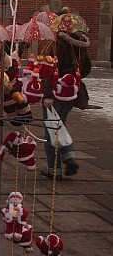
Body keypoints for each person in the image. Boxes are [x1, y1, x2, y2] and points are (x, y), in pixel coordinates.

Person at [41, 12, 91, 180]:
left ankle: (54, 169)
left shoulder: (57, 45)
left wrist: (47, 93)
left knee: (51, 129)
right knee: (61, 124)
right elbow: (87, 69)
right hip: (72, 94)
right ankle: (68, 156)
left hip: (54, 93)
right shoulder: (82, 45)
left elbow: (48, 71)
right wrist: (72, 79)